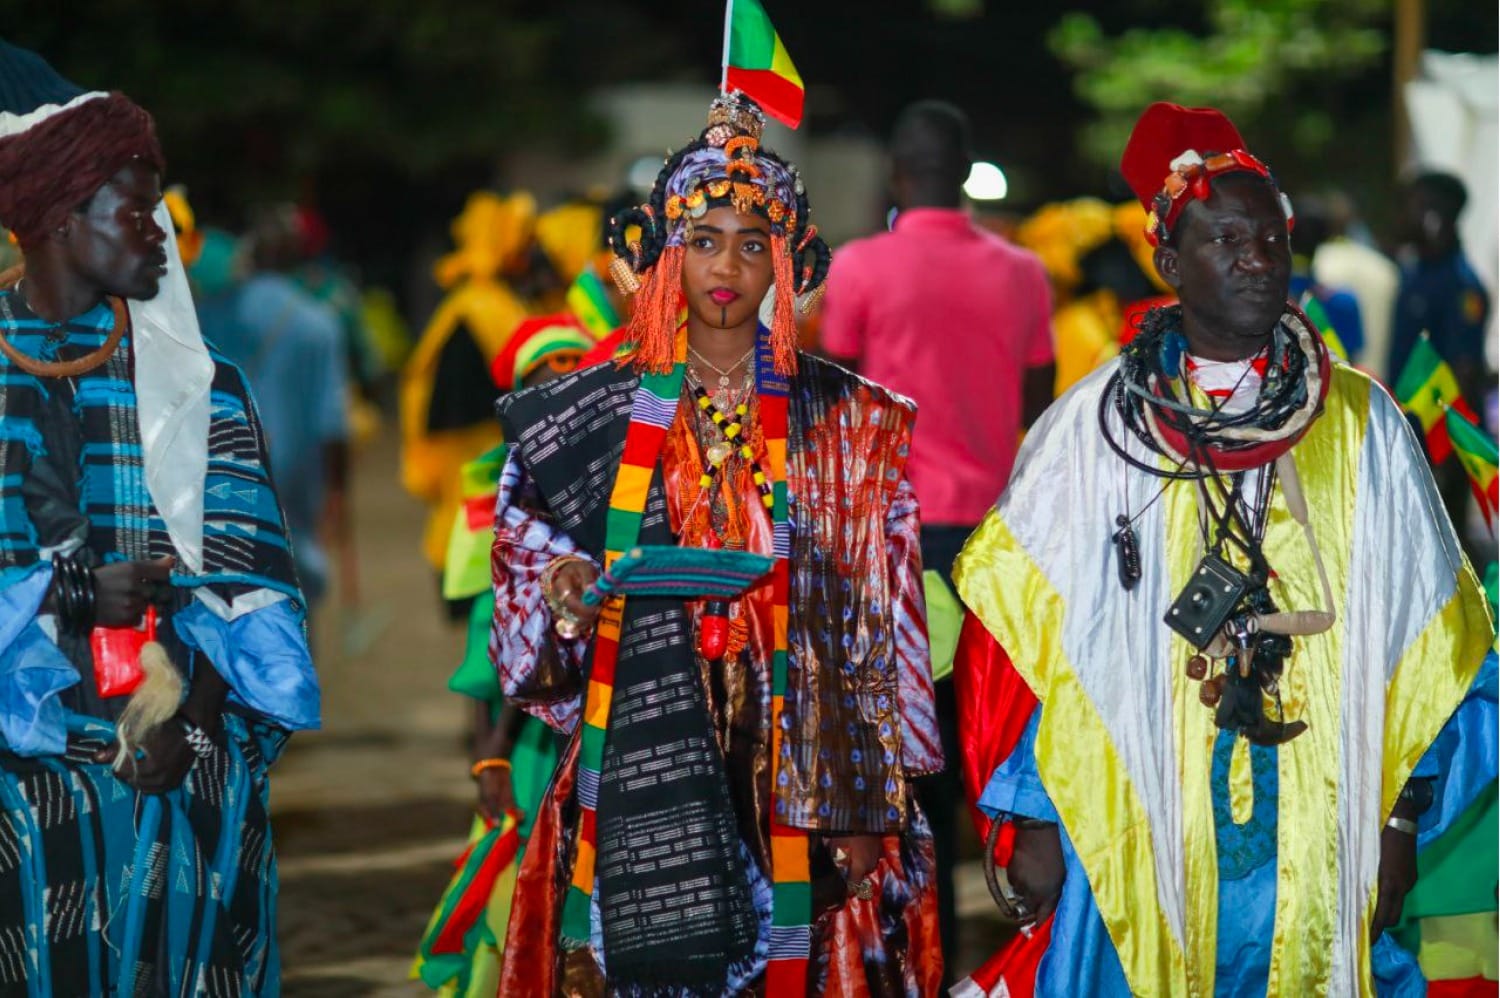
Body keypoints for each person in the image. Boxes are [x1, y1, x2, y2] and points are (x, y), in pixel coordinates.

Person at [953, 102, 1494, 995]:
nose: (1256, 258)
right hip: (1139, 822)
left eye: (1271, 238)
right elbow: (1027, 646)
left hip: (1332, 819)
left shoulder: (1363, 427)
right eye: (1226, 239)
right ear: (1168, 264)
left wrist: (1400, 819)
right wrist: (1040, 820)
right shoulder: (1092, 432)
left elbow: (1430, 642)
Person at [490, 92, 943, 995]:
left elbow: (885, 607)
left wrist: (866, 802)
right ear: (662, 255)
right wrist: (565, 579)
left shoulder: (849, 414)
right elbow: (524, 543)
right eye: (702, 240)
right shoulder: (589, 408)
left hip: (805, 743)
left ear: (790, 262)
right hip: (639, 727)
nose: (726, 265)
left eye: (751, 242)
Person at [0, 42, 319, 992]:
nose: (162, 231)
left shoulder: (202, 389)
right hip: (24, 768)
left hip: (184, 755)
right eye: (134, 208)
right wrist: (67, 591)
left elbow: (252, 591)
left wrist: (195, 726)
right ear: (59, 218)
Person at [819, 98, 1054, 976]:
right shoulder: (1024, 273)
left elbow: (839, 399)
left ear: (894, 174)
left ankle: (918, 954)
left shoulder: (858, 269)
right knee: (987, 745)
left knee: (907, 761)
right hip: (993, 545)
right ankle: (1006, 949)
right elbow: (1037, 411)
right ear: (964, 173)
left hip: (896, 546)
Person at [412, 315, 594, 996]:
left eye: (578, 368)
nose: (564, 383)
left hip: (600, 725)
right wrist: (488, 752)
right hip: (529, 742)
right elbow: (492, 649)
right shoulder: (499, 499)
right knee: (525, 885)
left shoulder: (615, 485)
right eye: (545, 377)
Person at [194, 210, 352, 608]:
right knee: (291, 585)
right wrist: (337, 489)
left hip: (217, 463)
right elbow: (331, 421)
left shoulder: (207, 313)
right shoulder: (319, 323)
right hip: (292, 472)